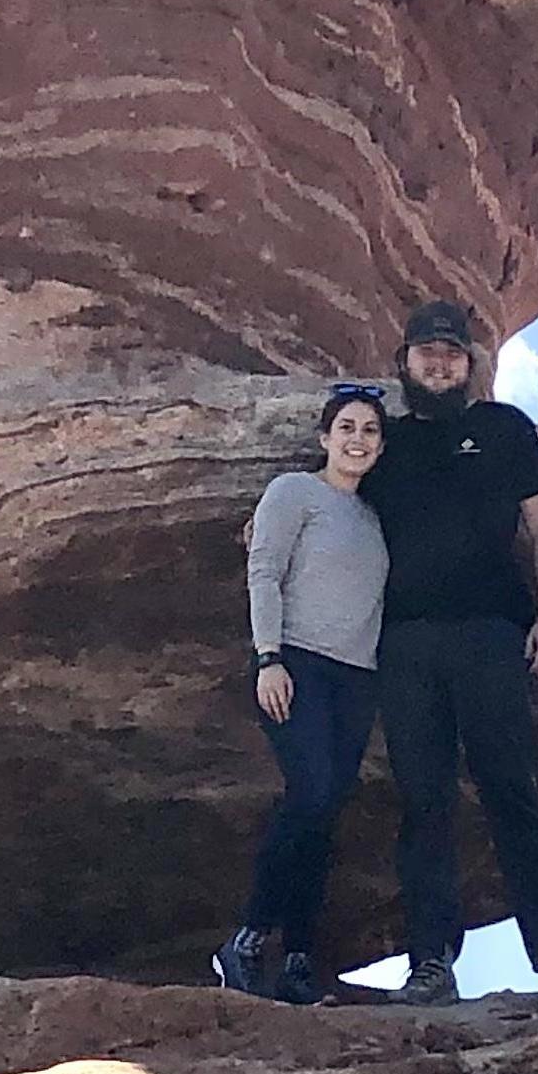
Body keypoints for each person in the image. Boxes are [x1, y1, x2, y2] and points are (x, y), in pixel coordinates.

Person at [365, 300, 538, 1011]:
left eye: (452, 354)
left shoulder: (501, 429)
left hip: (490, 633)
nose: (438, 364)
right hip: (405, 641)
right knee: (422, 801)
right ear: (403, 361)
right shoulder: (389, 440)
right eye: (425, 353)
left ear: (470, 365)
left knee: (511, 792)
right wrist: (271, 520)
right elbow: (336, 496)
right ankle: (430, 963)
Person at [209, 385, 392, 1007]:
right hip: (297, 665)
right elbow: (263, 569)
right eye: (346, 427)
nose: (357, 439)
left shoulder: (375, 518)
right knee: (310, 791)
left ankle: (298, 959)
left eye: (369, 430)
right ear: (324, 437)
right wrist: (269, 657)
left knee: (325, 815)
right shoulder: (294, 492)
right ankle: (249, 936)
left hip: (357, 678)